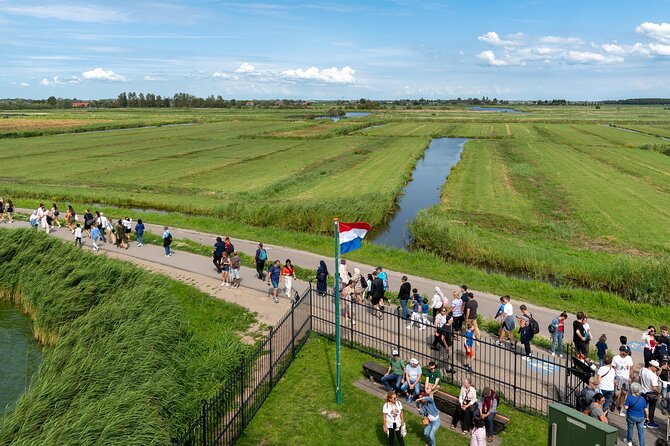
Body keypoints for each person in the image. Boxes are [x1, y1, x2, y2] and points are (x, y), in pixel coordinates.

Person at [613, 345, 635, 415]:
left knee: (624, 393)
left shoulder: (629, 358)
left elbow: (631, 368)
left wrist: (632, 378)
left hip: (626, 379)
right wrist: (613, 378)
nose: (627, 353)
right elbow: (613, 368)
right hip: (618, 378)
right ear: (622, 352)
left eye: (628, 352)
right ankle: (614, 402)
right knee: (616, 394)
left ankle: (621, 406)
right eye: (626, 352)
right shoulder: (615, 358)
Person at [640, 359, 661, 428]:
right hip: (650, 393)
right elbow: (654, 388)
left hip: (643, 391)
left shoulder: (642, 370)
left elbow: (639, 379)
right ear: (652, 366)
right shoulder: (652, 375)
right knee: (651, 408)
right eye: (656, 368)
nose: (656, 369)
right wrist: (658, 393)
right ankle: (650, 422)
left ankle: (642, 421)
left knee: (643, 407)